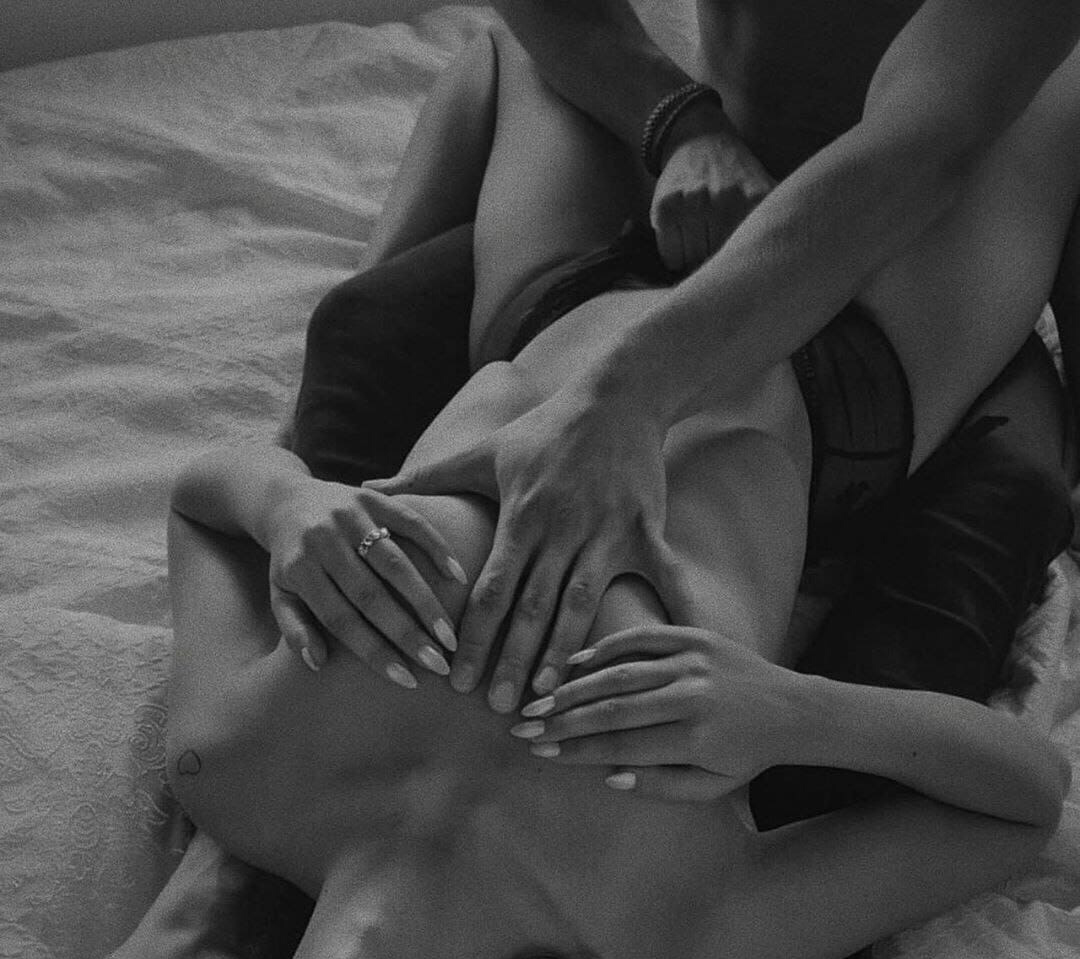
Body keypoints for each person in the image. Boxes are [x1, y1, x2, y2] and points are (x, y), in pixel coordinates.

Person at [4, 23, 1077, 959]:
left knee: (514, 47)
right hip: (833, 368)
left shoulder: (235, 771)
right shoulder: (667, 936)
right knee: (1035, 88)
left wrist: (289, 507)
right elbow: (1020, 802)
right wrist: (789, 711)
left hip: (554, 305)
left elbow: (199, 498)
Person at [290, 0, 1080, 720]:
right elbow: (1013, 783)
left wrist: (624, 396)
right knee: (367, 324)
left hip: (893, 235)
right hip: (713, 216)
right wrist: (682, 126)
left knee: (1008, 507)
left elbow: (928, 148)